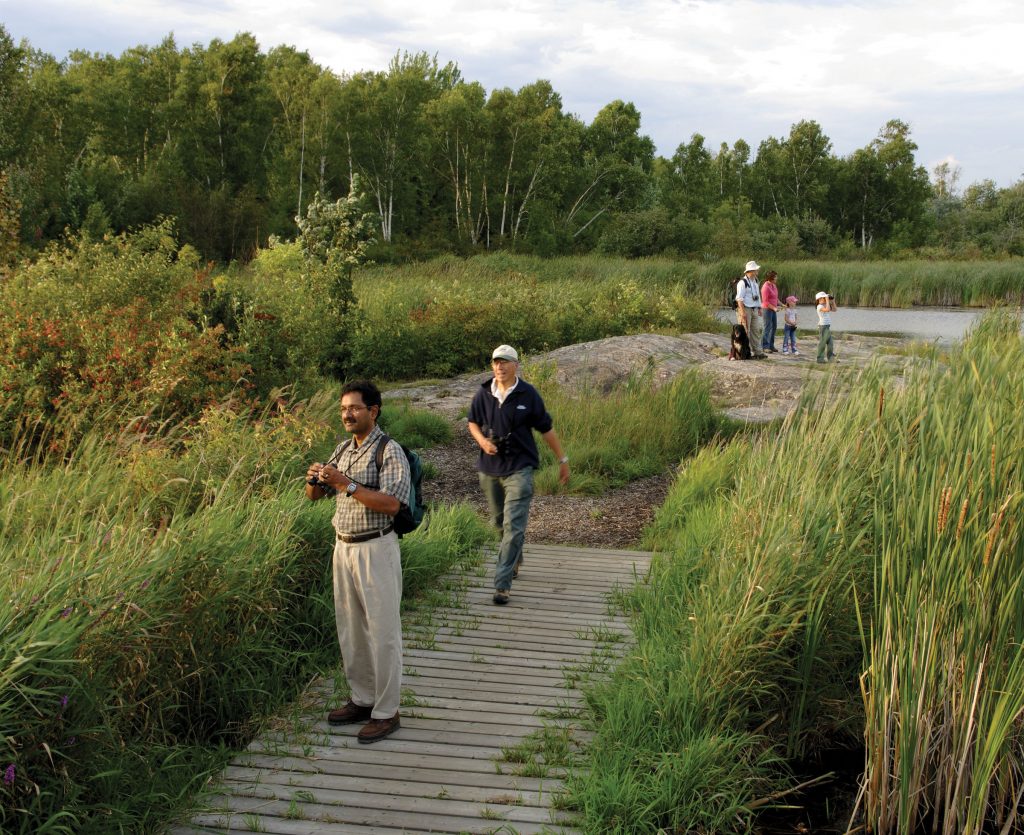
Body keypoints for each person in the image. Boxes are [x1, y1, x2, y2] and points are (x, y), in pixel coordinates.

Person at [305, 380, 411, 744]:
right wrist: (315, 480)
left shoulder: (389, 450)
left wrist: (345, 484)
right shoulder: (342, 449)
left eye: (354, 408)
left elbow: (392, 504)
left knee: (383, 632)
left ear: (374, 411)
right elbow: (314, 496)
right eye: (343, 409)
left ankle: (386, 711)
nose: (347, 415)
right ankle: (363, 699)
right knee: (351, 629)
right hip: (343, 548)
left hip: (376, 548)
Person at [468, 345, 570, 605]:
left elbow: (546, 429)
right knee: (498, 523)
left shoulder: (528, 394)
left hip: (520, 467)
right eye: (495, 363)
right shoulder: (483, 393)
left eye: (505, 362)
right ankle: (515, 557)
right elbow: (472, 422)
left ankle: (502, 585)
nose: (499, 367)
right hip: (490, 468)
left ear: (516, 365)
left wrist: (562, 460)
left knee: (514, 527)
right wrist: (482, 442)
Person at [735, 260, 766, 359]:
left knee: (756, 330)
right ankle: (742, 353)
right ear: (751, 271)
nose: (758, 271)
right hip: (746, 309)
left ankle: (758, 352)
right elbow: (739, 299)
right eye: (756, 269)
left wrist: (759, 307)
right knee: (744, 332)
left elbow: (757, 295)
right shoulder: (742, 282)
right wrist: (742, 312)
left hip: (754, 309)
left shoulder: (755, 281)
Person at [815, 291, 838, 363]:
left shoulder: (825, 305)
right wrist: (827, 300)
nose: (825, 300)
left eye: (825, 298)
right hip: (823, 326)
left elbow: (834, 310)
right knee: (822, 342)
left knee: (830, 343)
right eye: (824, 298)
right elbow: (828, 309)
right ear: (819, 299)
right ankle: (820, 359)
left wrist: (833, 301)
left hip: (827, 326)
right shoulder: (819, 306)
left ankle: (830, 358)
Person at [760, 270, 780, 353]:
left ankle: (771, 346)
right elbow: (765, 302)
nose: (776, 278)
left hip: (773, 309)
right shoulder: (765, 287)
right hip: (767, 309)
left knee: (774, 327)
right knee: (767, 327)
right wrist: (774, 308)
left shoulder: (773, 285)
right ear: (771, 278)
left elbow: (775, 298)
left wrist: (781, 304)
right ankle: (765, 346)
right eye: (775, 277)